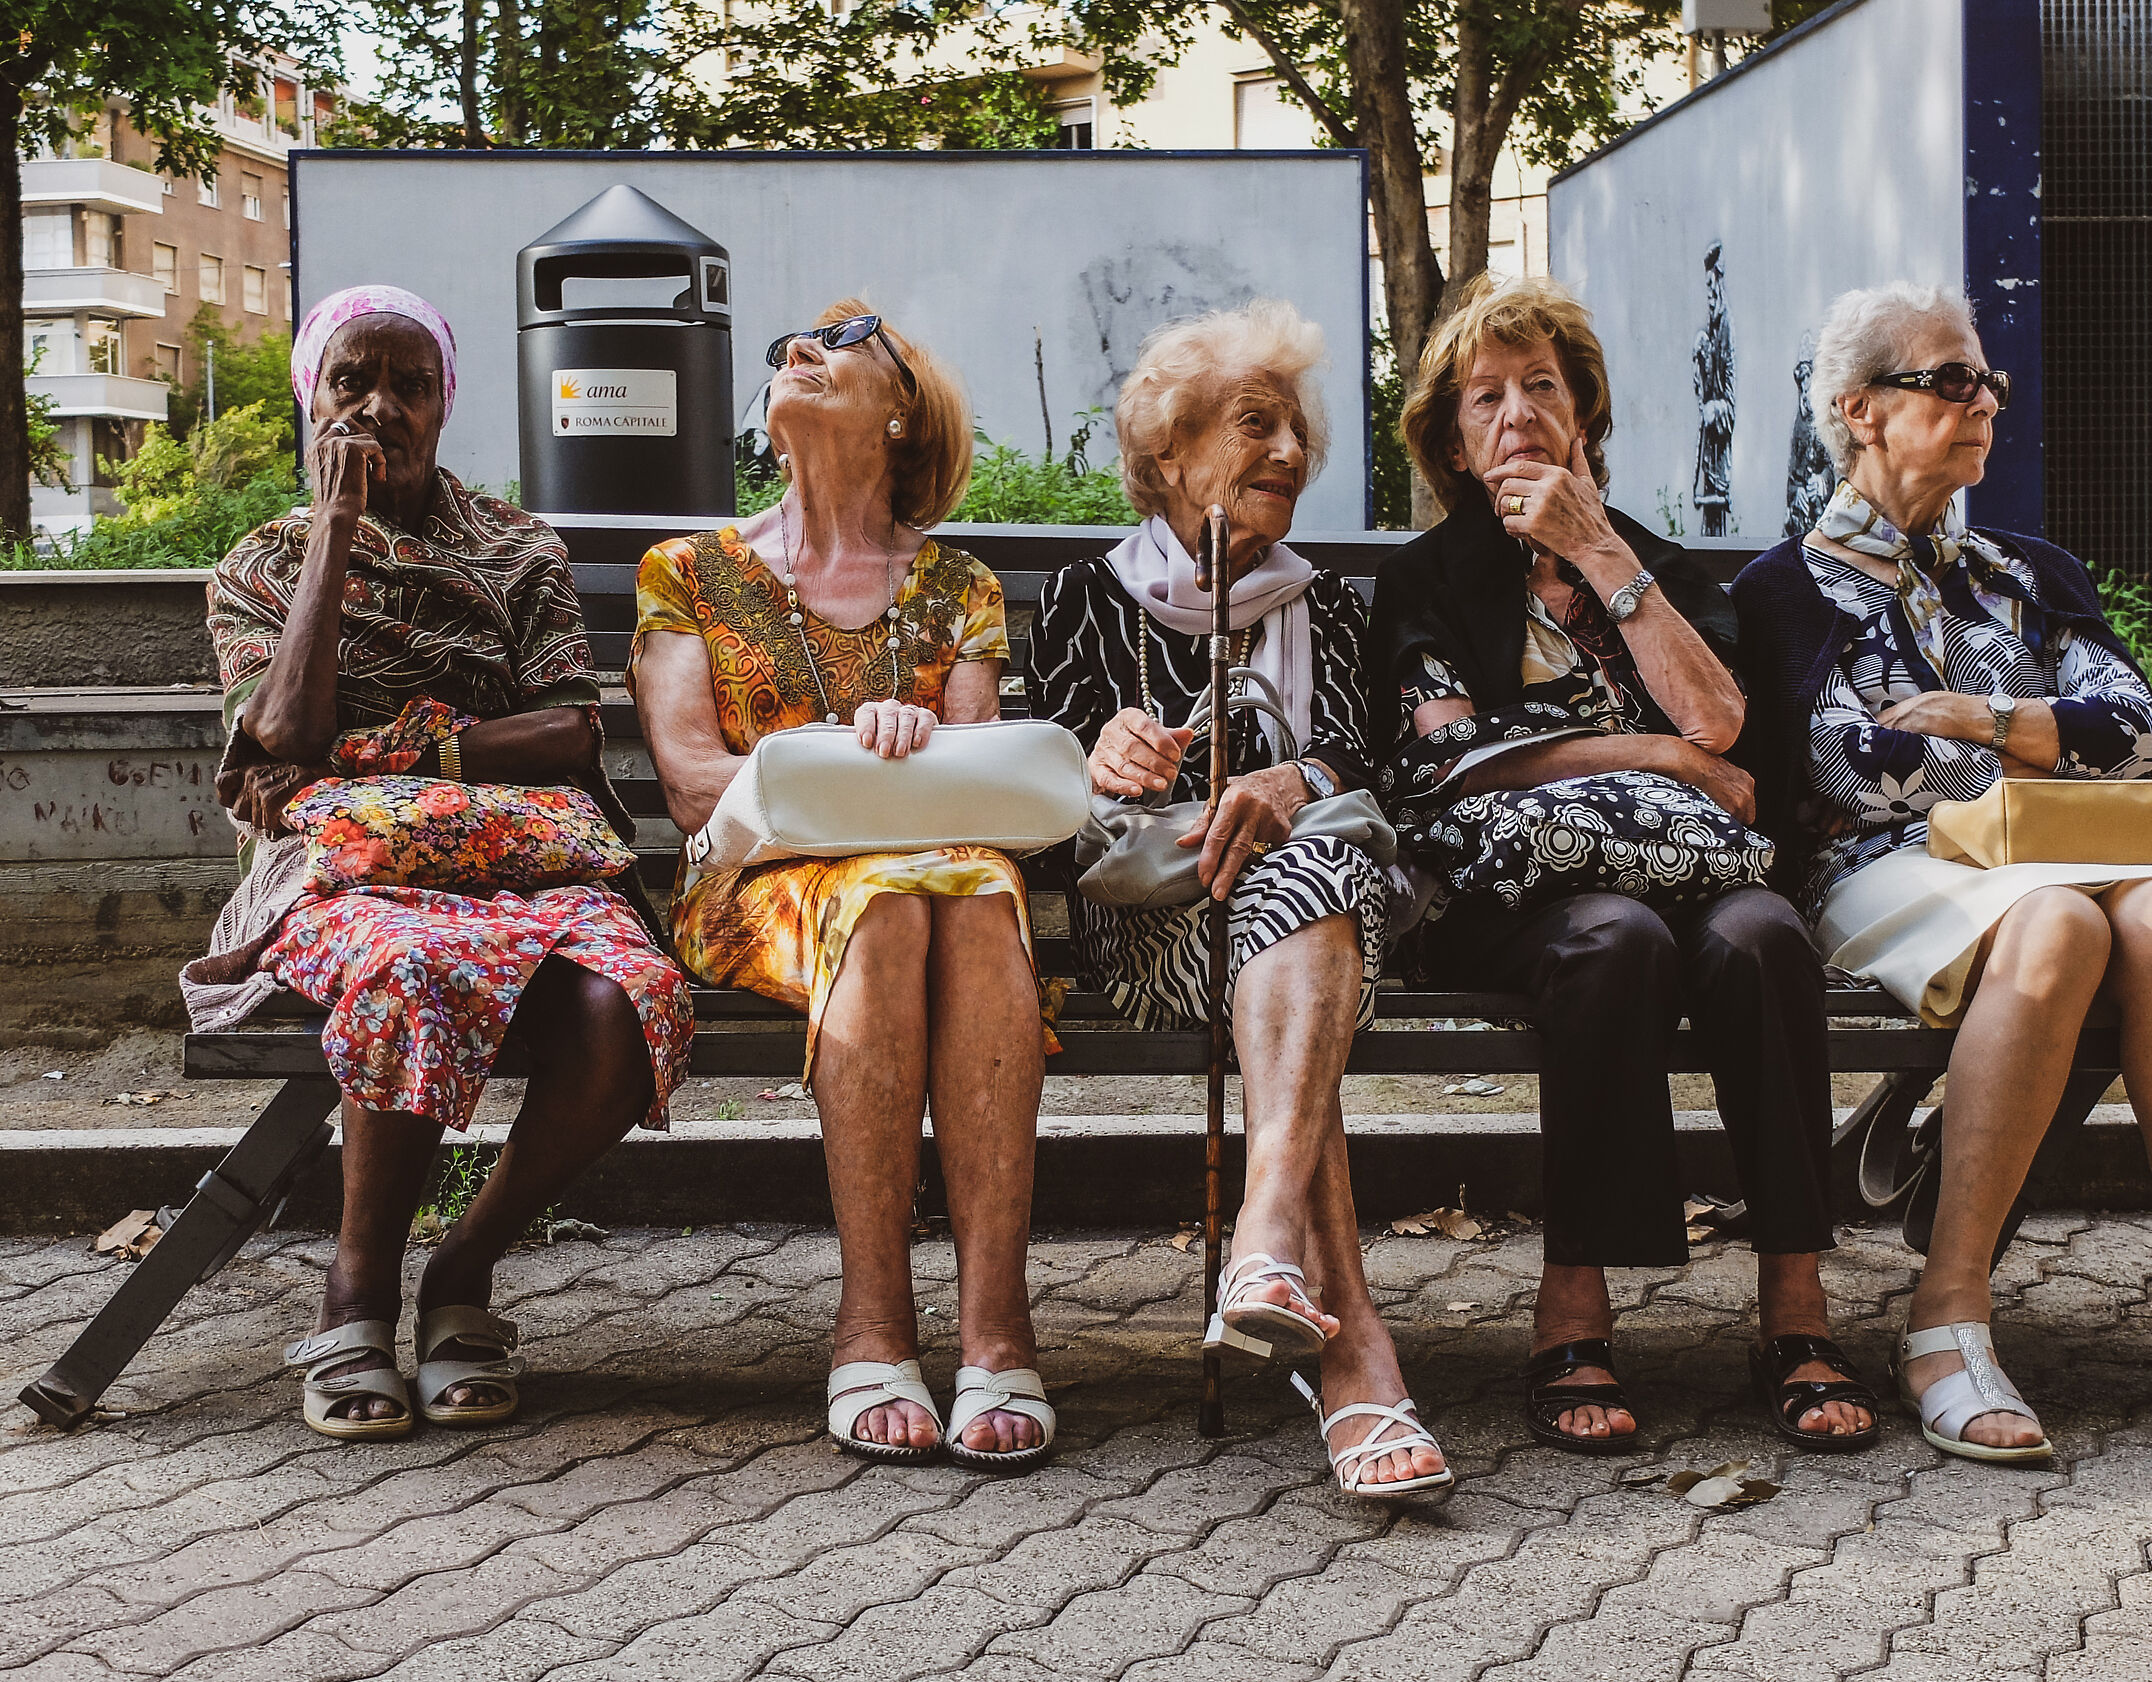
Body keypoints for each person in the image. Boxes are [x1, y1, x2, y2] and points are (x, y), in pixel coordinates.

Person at [1731, 279, 2152, 1461]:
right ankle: (1947, 1313)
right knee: (2060, 922)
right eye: (1946, 381)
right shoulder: (1784, 591)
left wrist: (1980, 720)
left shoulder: (2029, 571)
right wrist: (2048, 733)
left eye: (1986, 380)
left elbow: (2144, 737)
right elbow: (1849, 769)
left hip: (2063, 857)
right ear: (1859, 409)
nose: (1981, 401)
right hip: (1877, 875)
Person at [1369, 274, 1879, 1456]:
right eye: (1484, 397)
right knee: (1616, 942)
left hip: (1700, 875)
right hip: (1514, 891)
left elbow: (1732, 734)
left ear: (1584, 412)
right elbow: (1456, 759)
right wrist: (1650, 749)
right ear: (1452, 436)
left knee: (1764, 940)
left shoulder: (1660, 567)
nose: (1517, 415)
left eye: (1541, 387)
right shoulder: (1427, 579)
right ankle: (1575, 1300)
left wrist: (1598, 553)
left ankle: (1795, 1304)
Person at [184, 285, 694, 1442]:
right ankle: (355, 1297)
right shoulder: (257, 569)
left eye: (409, 386)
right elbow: (282, 728)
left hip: (526, 860)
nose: (377, 408)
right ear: (310, 398)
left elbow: (567, 731)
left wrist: (383, 753)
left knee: (632, 1001)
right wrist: (333, 533)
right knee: (409, 964)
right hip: (349, 874)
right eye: (350, 382)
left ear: (445, 403)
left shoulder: (517, 550)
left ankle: (460, 1272)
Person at [1029, 300, 1452, 1504]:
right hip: (1158, 927)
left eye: (1296, 431)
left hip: (1325, 927)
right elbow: (1040, 787)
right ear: (1168, 456)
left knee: (1307, 862)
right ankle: (1349, 1342)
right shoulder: (1084, 599)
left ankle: (1273, 1254)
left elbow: (1387, 772)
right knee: (1296, 897)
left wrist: (1299, 776)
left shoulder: (1333, 606)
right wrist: (1095, 748)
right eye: (1252, 425)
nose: (1287, 452)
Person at [633, 301, 1055, 1472]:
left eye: (841, 344)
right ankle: (871, 1321)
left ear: (903, 411)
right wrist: (850, 751)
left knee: (962, 890)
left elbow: (975, 794)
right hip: (756, 881)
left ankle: (993, 1327)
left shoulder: (959, 583)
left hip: (939, 880)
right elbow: (690, 787)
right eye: (789, 350)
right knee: (894, 899)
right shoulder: (690, 574)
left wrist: (914, 743)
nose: (797, 352)